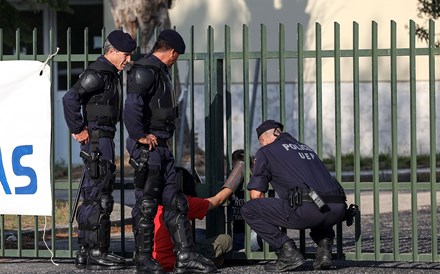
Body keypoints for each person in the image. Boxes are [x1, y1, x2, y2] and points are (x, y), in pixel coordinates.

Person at [124, 29, 216, 274]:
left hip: (162, 147)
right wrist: (139, 136)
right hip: (148, 148)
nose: (176, 60)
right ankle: (143, 260)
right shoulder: (144, 71)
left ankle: (185, 257)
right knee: (146, 205)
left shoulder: (158, 72)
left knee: (176, 202)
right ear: (172, 52)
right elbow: (132, 106)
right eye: (177, 56)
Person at [62, 30, 136, 270]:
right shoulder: (99, 73)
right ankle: (96, 251)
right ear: (112, 51)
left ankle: (86, 251)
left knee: (95, 194)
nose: (128, 60)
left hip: (103, 138)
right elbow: (70, 98)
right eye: (125, 55)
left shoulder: (110, 73)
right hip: (97, 139)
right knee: (99, 197)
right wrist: (79, 129)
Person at [240, 120, 347, 272]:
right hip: (337, 209)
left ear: (263, 139)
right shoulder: (306, 148)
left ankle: (288, 252)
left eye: (261, 143)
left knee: (249, 209)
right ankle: (324, 251)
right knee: (316, 202)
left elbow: (256, 194)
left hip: (309, 210)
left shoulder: (266, 151)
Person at [153, 160, 245, 272]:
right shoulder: (185, 202)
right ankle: (208, 260)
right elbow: (218, 199)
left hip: (154, 261)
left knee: (197, 232)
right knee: (226, 239)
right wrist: (239, 171)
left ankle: (213, 260)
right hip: (177, 260)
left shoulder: (155, 204)